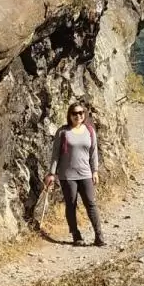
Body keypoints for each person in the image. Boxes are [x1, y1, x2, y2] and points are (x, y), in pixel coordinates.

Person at [45, 101, 106, 247]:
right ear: (69, 115)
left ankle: (99, 236)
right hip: (67, 176)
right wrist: (51, 173)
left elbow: (93, 153)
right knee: (71, 205)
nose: (78, 116)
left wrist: (95, 171)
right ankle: (76, 235)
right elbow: (55, 155)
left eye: (81, 113)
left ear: (84, 114)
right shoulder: (63, 132)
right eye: (74, 113)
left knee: (91, 204)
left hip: (86, 174)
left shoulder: (90, 131)